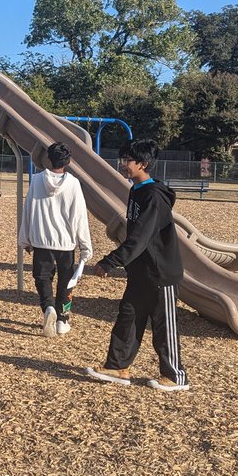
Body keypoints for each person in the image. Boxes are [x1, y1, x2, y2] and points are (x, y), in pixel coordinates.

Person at [86, 139, 190, 392]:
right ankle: (117, 367)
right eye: (121, 159)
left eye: (127, 161)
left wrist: (112, 261)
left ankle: (176, 376)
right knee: (128, 318)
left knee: (163, 325)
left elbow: (140, 237)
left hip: (160, 272)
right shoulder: (136, 190)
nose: (122, 165)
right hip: (140, 272)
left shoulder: (154, 197)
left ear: (143, 164)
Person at [18, 141, 93, 337]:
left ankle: (48, 307)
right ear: (68, 161)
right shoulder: (73, 183)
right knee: (66, 280)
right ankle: (62, 319)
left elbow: (29, 210)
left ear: (48, 159)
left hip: (41, 240)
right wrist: (85, 245)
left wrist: (25, 239)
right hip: (66, 242)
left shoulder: (36, 180)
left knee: (42, 277)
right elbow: (79, 216)